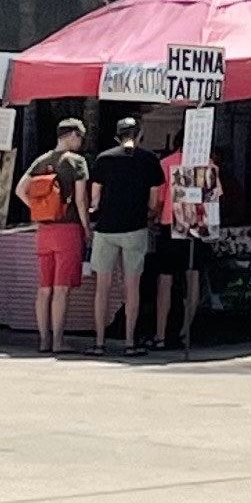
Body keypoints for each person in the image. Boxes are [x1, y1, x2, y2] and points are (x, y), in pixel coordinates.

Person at [85, 113, 165, 353]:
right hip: (135, 227)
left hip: (106, 229)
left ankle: (99, 342)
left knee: (102, 287)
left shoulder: (103, 159)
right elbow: (154, 201)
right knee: (132, 287)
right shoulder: (149, 160)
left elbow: (94, 199)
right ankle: (130, 342)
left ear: (116, 137)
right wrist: (150, 215)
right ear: (140, 135)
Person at [20, 118, 92, 355]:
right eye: (80, 137)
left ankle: (44, 340)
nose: (81, 142)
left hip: (44, 230)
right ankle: (58, 341)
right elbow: (80, 200)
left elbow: (20, 189)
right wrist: (86, 228)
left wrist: (38, 209)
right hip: (67, 229)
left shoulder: (41, 160)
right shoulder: (77, 162)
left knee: (44, 288)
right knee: (61, 288)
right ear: (72, 135)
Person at [151, 145, 221, 353]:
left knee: (165, 280)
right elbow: (215, 197)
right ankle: (185, 330)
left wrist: (155, 215)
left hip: (169, 223)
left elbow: (159, 199)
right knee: (193, 277)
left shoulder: (165, 163)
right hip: (198, 226)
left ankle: (160, 334)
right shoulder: (207, 165)